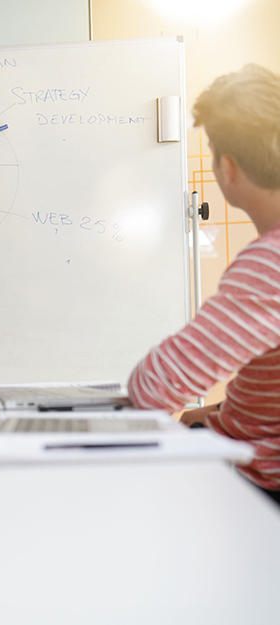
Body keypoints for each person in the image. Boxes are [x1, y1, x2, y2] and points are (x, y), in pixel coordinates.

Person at [127, 64, 280, 504]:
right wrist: (218, 415)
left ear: (227, 168)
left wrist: (210, 422)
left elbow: (153, 388)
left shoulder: (269, 265)